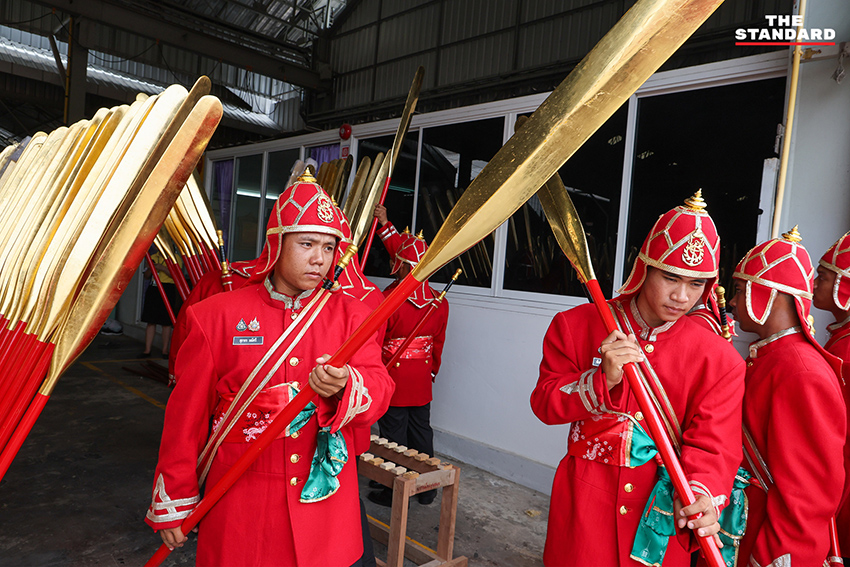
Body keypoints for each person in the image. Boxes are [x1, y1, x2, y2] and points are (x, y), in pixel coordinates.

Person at [145, 171, 394, 567]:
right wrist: (175, 499)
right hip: (242, 502)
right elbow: (185, 418)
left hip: (324, 508)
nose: (319, 258)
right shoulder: (215, 317)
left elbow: (380, 389)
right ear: (277, 243)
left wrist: (348, 384)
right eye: (307, 243)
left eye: (329, 248)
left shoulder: (353, 316)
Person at [530, 191, 746, 566]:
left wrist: (702, 492)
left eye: (696, 284)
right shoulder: (577, 325)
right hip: (585, 505)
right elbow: (545, 403)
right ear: (645, 266)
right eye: (670, 277)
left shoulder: (720, 359)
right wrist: (599, 381)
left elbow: (716, 446)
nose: (681, 296)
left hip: (660, 514)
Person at [729, 226, 846, 565]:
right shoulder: (774, 356)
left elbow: (808, 494)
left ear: (770, 295)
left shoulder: (801, 372)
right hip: (745, 524)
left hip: (766, 540)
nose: (733, 301)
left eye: (740, 290)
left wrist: (771, 557)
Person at [368, 203, 449, 507]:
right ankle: (426, 489)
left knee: (393, 435)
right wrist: (385, 223)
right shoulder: (439, 303)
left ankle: (393, 491)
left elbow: (376, 342)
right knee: (421, 432)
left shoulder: (388, 300)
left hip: (394, 376)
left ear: (400, 266)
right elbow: (438, 344)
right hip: (422, 378)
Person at [139, 247, 181, 359]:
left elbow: (176, 275)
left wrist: (162, 268)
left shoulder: (175, 258)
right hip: (154, 288)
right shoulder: (153, 257)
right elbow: (146, 276)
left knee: (166, 322)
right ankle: (147, 350)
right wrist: (150, 268)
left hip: (168, 288)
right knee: (150, 320)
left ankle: (165, 350)